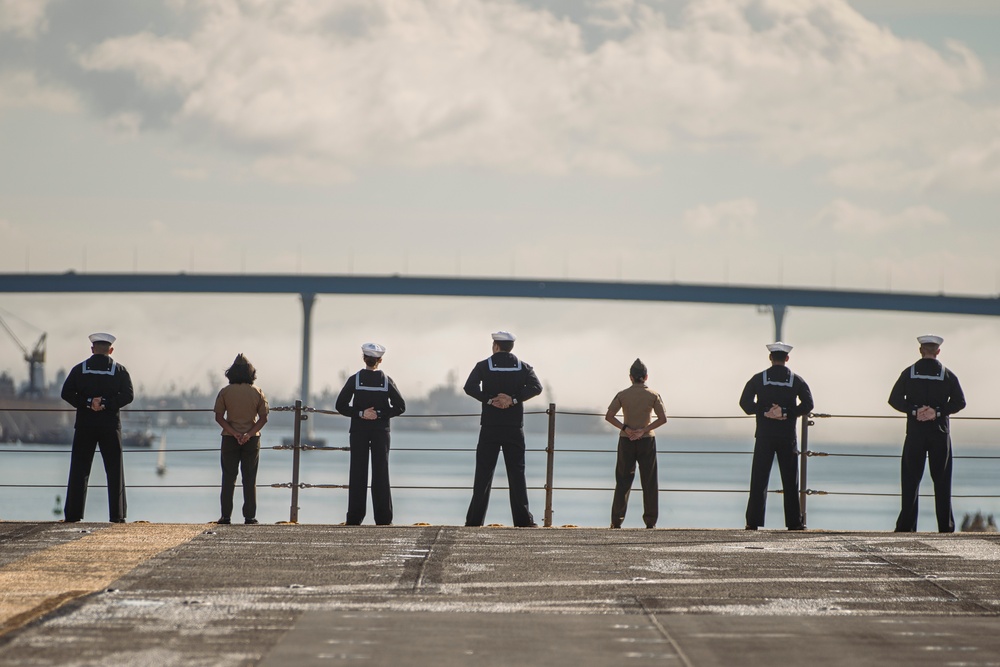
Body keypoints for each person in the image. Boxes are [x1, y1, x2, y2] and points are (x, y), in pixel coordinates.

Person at [463, 331, 543, 527]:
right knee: (517, 474)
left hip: (490, 426)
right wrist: (513, 399)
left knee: (483, 473)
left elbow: (469, 387)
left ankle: (474, 520)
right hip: (514, 426)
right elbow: (536, 387)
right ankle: (523, 520)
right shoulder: (523, 367)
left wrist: (490, 400)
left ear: (495, 346)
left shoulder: (483, 366)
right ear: (511, 347)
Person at [888, 334, 966, 533]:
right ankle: (945, 526)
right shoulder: (948, 375)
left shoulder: (909, 373)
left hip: (915, 432)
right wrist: (937, 412)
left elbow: (894, 399)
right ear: (938, 351)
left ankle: (906, 526)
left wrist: (914, 410)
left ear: (921, 350)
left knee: (911, 479)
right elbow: (959, 402)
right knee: (942, 480)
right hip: (940, 432)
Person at [739, 341, 813, 531]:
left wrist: (763, 411)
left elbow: (745, 402)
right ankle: (794, 522)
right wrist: (786, 412)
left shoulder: (758, 379)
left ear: (770, 358)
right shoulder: (796, 380)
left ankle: (753, 521)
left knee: (759, 479)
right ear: (787, 358)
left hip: (764, 435)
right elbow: (808, 404)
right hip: (787, 436)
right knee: (790, 480)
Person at [60, 332, 134, 523]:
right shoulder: (120, 370)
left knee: (79, 469)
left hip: (85, 425)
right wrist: (107, 403)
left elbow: (66, 392)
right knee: (114, 469)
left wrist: (87, 402)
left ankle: (73, 515)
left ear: (92, 349)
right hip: (110, 425)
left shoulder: (79, 370)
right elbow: (128, 395)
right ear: (111, 350)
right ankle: (117, 515)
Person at [336, 343, 406, 525]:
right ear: (380, 360)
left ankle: (354, 517)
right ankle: (383, 518)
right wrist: (380, 414)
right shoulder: (386, 380)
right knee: (381, 473)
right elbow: (400, 406)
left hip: (358, 431)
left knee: (357, 472)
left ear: (363, 358)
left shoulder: (355, 379)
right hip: (381, 432)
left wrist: (360, 413)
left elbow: (340, 405)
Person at [604, 359, 667, 529]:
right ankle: (650, 521)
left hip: (626, 440)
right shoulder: (653, 395)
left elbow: (609, 416)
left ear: (631, 377)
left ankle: (616, 520)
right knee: (649, 481)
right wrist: (644, 430)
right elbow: (663, 419)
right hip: (647, 440)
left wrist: (626, 428)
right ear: (646, 377)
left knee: (623, 480)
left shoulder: (622, 395)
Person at [213, 354, 269, 525]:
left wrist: (234, 433)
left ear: (231, 373)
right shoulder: (257, 392)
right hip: (251, 441)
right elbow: (263, 418)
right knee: (249, 478)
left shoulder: (225, 392)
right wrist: (248, 434)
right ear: (250, 372)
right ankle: (250, 517)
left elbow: (219, 417)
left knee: (228, 477)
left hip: (230, 439)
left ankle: (226, 516)